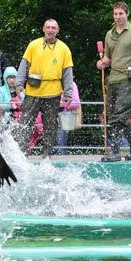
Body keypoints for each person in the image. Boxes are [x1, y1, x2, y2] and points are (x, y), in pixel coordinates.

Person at [96, 1, 131, 162]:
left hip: (130, 78)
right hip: (113, 78)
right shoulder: (109, 34)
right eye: (115, 14)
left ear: (126, 14)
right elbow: (108, 58)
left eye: (121, 13)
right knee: (117, 115)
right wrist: (102, 63)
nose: (118, 17)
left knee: (119, 115)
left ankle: (114, 152)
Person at [13, 18, 74, 158]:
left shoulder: (64, 48)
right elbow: (24, 66)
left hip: (53, 93)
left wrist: (68, 94)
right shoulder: (33, 45)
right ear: (43, 29)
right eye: (48, 27)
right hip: (32, 92)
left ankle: (46, 154)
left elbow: (67, 73)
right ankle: (22, 153)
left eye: (53, 28)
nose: (50, 30)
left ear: (57, 31)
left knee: (50, 126)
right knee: (25, 123)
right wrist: (19, 84)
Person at [55, 81, 81, 155]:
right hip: (50, 117)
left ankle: (62, 157)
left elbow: (76, 103)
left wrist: (60, 103)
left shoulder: (71, 84)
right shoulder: (51, 83)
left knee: (60, 144)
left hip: (63, 116)